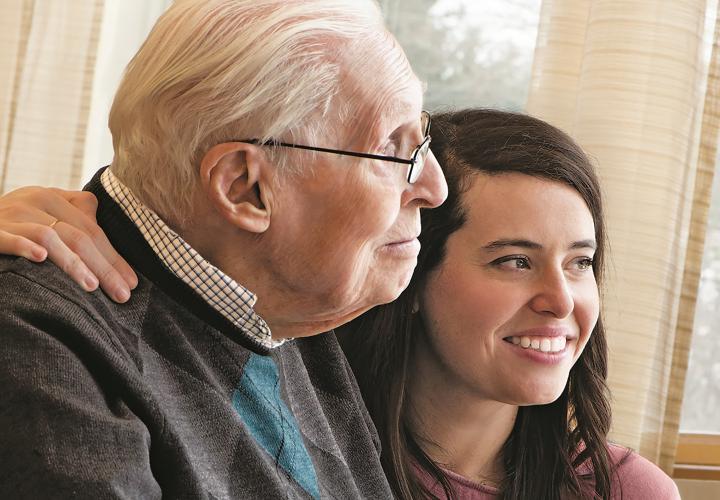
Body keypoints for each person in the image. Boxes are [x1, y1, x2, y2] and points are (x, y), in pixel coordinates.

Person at [0, 0, 448, 498]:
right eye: (391, 149)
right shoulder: (35, 339)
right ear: (244, 188)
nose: (435, 185)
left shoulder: (293, 303)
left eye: (421, 139)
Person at [339, 109, 679, 499]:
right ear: (411, 276)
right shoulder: (303, 464)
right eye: (516, 261)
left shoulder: (630, 492)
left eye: (579, 263)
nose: (561, 301)